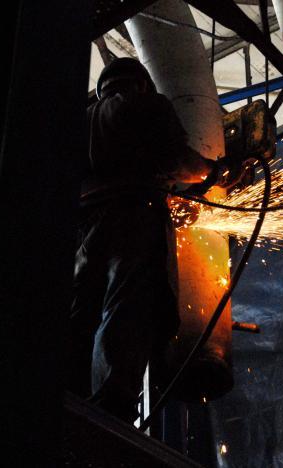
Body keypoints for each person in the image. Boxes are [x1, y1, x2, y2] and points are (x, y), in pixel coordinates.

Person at [69, 58, 239, 423]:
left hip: (82, 227)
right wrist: (213, 173)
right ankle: (113, 401)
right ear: (141, 83)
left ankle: (71, 392)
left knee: (83, 307)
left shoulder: (78, 120)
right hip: (133, 213)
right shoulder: (145, 105)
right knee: (128, 302)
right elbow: (176, 159)